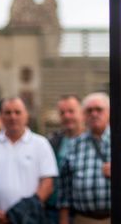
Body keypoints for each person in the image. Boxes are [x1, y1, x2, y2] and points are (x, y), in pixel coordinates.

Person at [58, 92, 121, 224]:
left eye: (99, 110)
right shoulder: (75, 145)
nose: (94, 114)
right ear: (83, 115)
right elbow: (64, 190)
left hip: (119, 218)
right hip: (83, 219)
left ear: (109, 113)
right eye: (89, 111)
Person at [0, 98, 56, 224]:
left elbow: (47, 184)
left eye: (17, 112)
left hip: (30, 218)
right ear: (1, 117)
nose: (12, 117)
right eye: (7, 113)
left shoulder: (41, 144)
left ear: (26, 116)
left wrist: (19, 212)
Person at [46, 95, 85, 223]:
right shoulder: (52, 142)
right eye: (62, 113)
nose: (67, 116)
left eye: (71, 111)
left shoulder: (92, 141)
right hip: (53, 210)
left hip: (82, 212)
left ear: (81, 113)